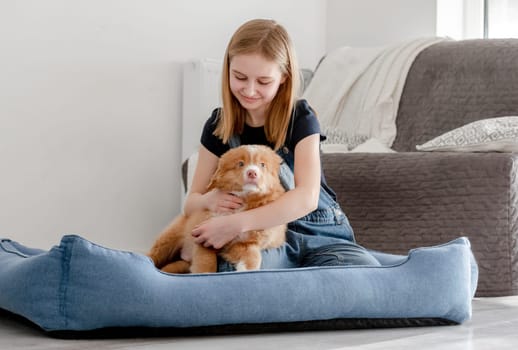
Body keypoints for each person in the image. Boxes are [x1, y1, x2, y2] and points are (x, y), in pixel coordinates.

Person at [187, 18, 380, 270]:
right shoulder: (218, 126)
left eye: (263, 82)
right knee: (238, 272)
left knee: (366, 274)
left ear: (283, 78)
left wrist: (237, 223)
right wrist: (208, 201)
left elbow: (306, 198)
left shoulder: (301, 117)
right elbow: (191, 200)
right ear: (228, 70)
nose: (250, 89)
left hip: (320, 234)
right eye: (240, 77)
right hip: (261, 241)